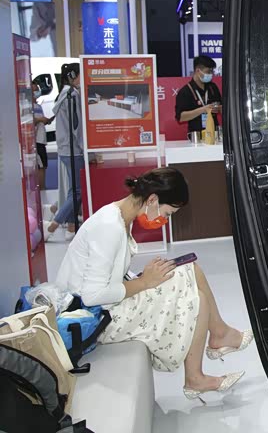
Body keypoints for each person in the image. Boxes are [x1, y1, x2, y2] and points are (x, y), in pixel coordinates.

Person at [54, 167, 251, 402]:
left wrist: (142, 278)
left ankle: (217, 337)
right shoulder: (109, 227)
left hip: (103, 307)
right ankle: (200, 369)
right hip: (95, 320)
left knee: (189, 269)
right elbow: (92, 296)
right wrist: (145, 282)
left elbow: (108, 277)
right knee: (196, 296)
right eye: (167, 213)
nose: (165, 220)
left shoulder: (118, 218)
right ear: (153, 200)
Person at [47, 63, 83, 239]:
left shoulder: (64, 94)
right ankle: (54, 225)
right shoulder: (71, 96)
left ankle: (70, 225)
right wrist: (85, 148)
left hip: (65, 149)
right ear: (73, 76)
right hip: (74, 149)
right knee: (77, 191)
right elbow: (76, 127)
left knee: (73, 189)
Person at [175, 55, 222, 137]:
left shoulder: (213, 87)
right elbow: (181, 117)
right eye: (208, 72)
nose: (211, 74)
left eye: (212, 72)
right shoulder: (185, 91)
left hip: (214, 134)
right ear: (198, 70)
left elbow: (222, 107)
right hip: (196, 136)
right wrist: (203, 109)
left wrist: (219, 108)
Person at [32, 81, 52, 190]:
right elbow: (28, 122)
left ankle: (43, 188)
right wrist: (40, 119)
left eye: (37, 89)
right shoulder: (28, 106)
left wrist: (45, 121)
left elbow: (40, 121)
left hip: (41, 139)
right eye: (34, 90)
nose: (37, 92)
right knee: (40, 166)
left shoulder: (39, 106)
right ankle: (41, 189)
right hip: (36, 140)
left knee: (43, 166)